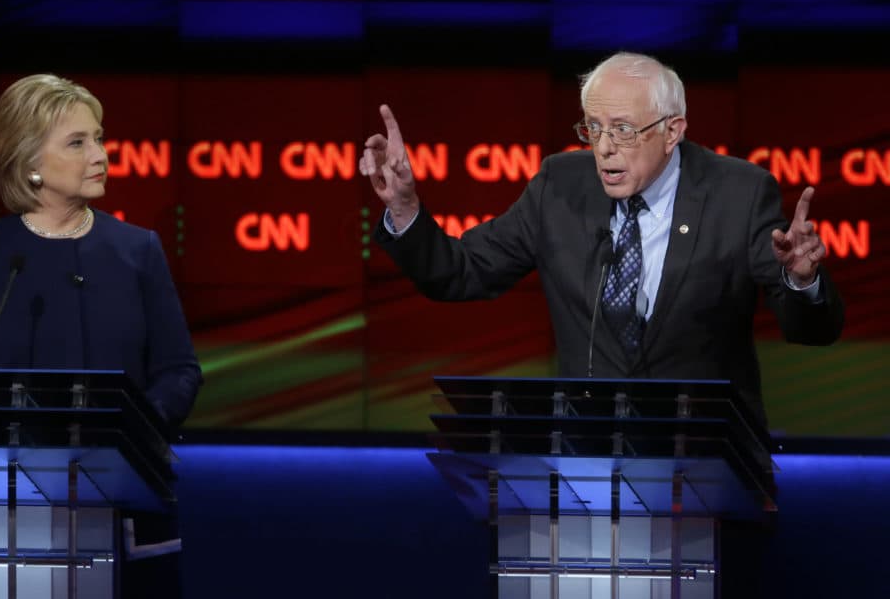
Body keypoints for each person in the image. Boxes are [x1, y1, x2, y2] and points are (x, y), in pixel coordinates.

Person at [359, 51, 843, 432]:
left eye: (623, 130)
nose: (604, 147)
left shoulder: (738, 192)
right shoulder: (560, 185)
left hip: (705, 459)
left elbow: (810, 329)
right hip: (585, 459)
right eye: (593, 128)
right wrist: (404, 209)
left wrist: (802, 281)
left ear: (672, 130)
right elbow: (460, 272)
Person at [0, 74, 201, 596]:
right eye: (77, 142)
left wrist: (134, 433)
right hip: (10, 515)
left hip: (126, 507)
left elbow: (180, 370)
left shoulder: (137, 250)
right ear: (29, 162)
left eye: (98, 137)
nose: (99, 154)